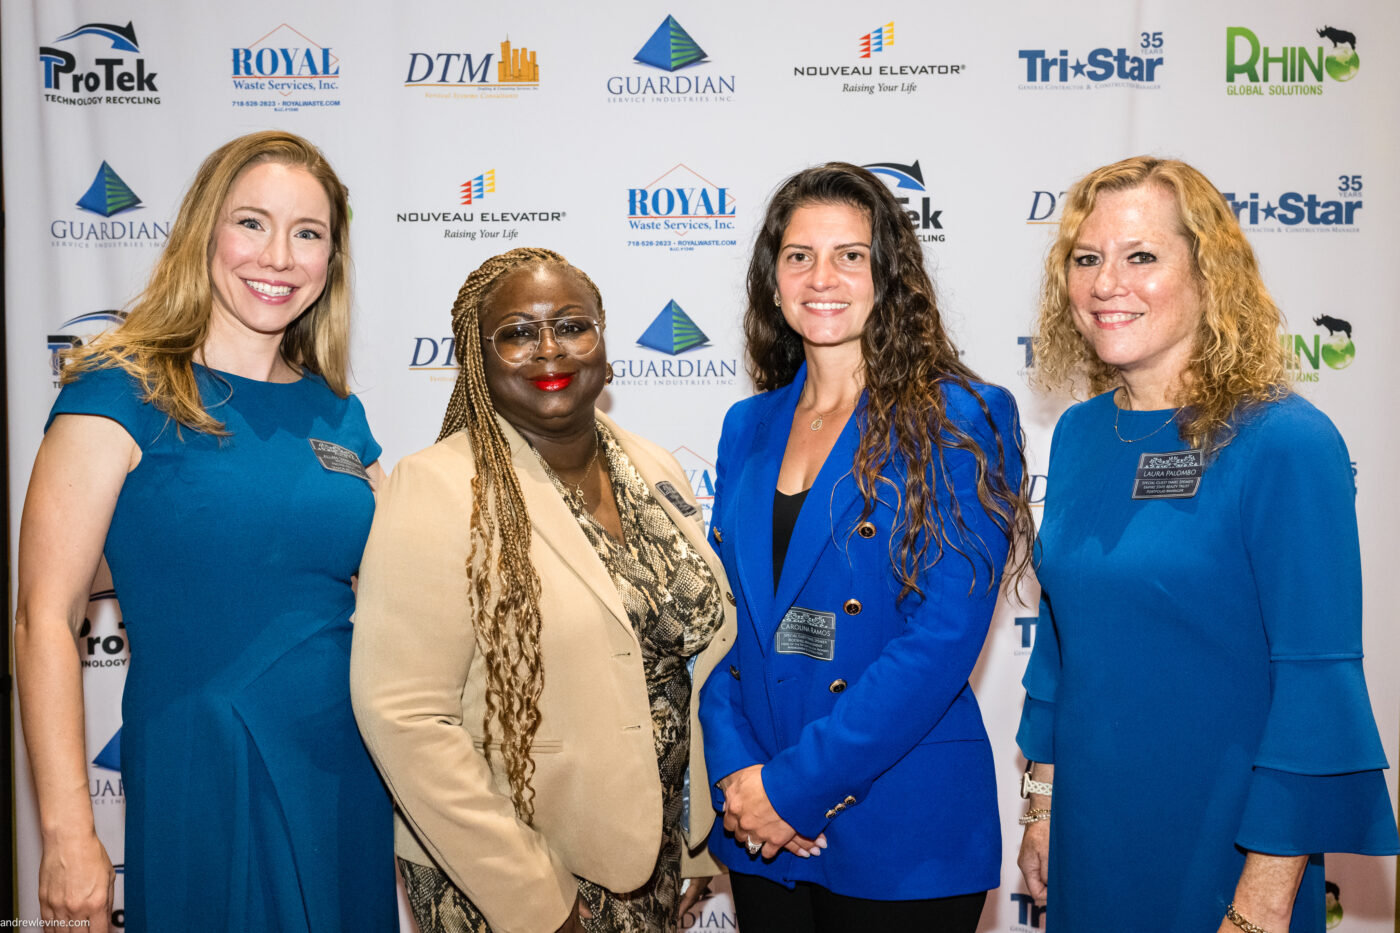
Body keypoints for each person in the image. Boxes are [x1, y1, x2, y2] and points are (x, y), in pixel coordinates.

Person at [15, 130, 395, 931]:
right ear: (203, 233)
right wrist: (65, 832)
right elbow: (44, 617)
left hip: (347, 774)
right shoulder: (121, 389)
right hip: (203, 766)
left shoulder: (340, 411)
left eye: (309, 233)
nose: (280, 256)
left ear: (331, 258)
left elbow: (398, 591)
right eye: (252, 222)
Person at [1015, 155, 1399, 932]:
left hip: (1229, 852)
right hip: (1092, 839)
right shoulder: (1083, 434)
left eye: (1141, 257)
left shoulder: (1286, 441)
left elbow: (1315, 689)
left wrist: (1260, 905)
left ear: (1208, 274)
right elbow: (1062, 645)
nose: (1105, 283)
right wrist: (1043, 804)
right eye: (1086, 259)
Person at [350, 246, 737, 933]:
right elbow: (406, 718)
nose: (550, 348)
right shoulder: (435, 489)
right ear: (479, 356)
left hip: (652, 867)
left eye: (572, 324)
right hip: (513, 879)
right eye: (519, 332)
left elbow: (688, 662)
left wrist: (695, 837)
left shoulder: (650, 464)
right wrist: (538, 902)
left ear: (604, 342)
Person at [698, 163, 1034, 932]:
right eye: (799, 255)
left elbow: (940, 640)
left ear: (890, 274)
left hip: (900, 827)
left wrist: (794, 789)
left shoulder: (960, 417)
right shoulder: (746, 428)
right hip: (759, 834)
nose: (823, 276)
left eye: (851, 255)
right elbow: (717, 628)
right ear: (772, 277)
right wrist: (738, 775)